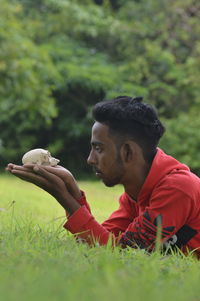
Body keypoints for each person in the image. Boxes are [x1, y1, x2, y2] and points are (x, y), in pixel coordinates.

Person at [6, 96, 200, 257]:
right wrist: (73, 193)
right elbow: (103, 246)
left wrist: (66, 200)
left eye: (98, 148)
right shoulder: (136, 194)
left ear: (128, 152)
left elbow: (124, 255)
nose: (90, 159)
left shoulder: (178, 188)